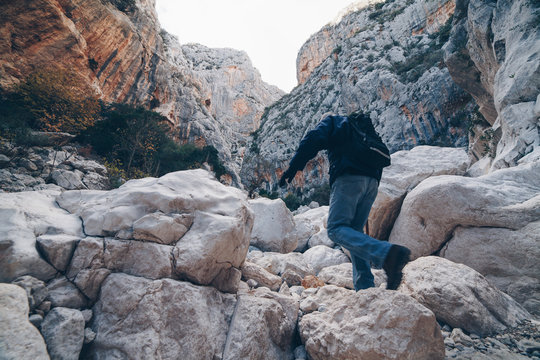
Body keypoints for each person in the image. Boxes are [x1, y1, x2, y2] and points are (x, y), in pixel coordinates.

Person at [279, 111, 411, 291]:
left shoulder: (334, 122)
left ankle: (388, 253)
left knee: (335, 229)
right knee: (354, 233)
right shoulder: (361, 130)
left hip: (349, 179)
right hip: (372, 182)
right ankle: (365, 287)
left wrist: (293, 167)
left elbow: (314, 137)